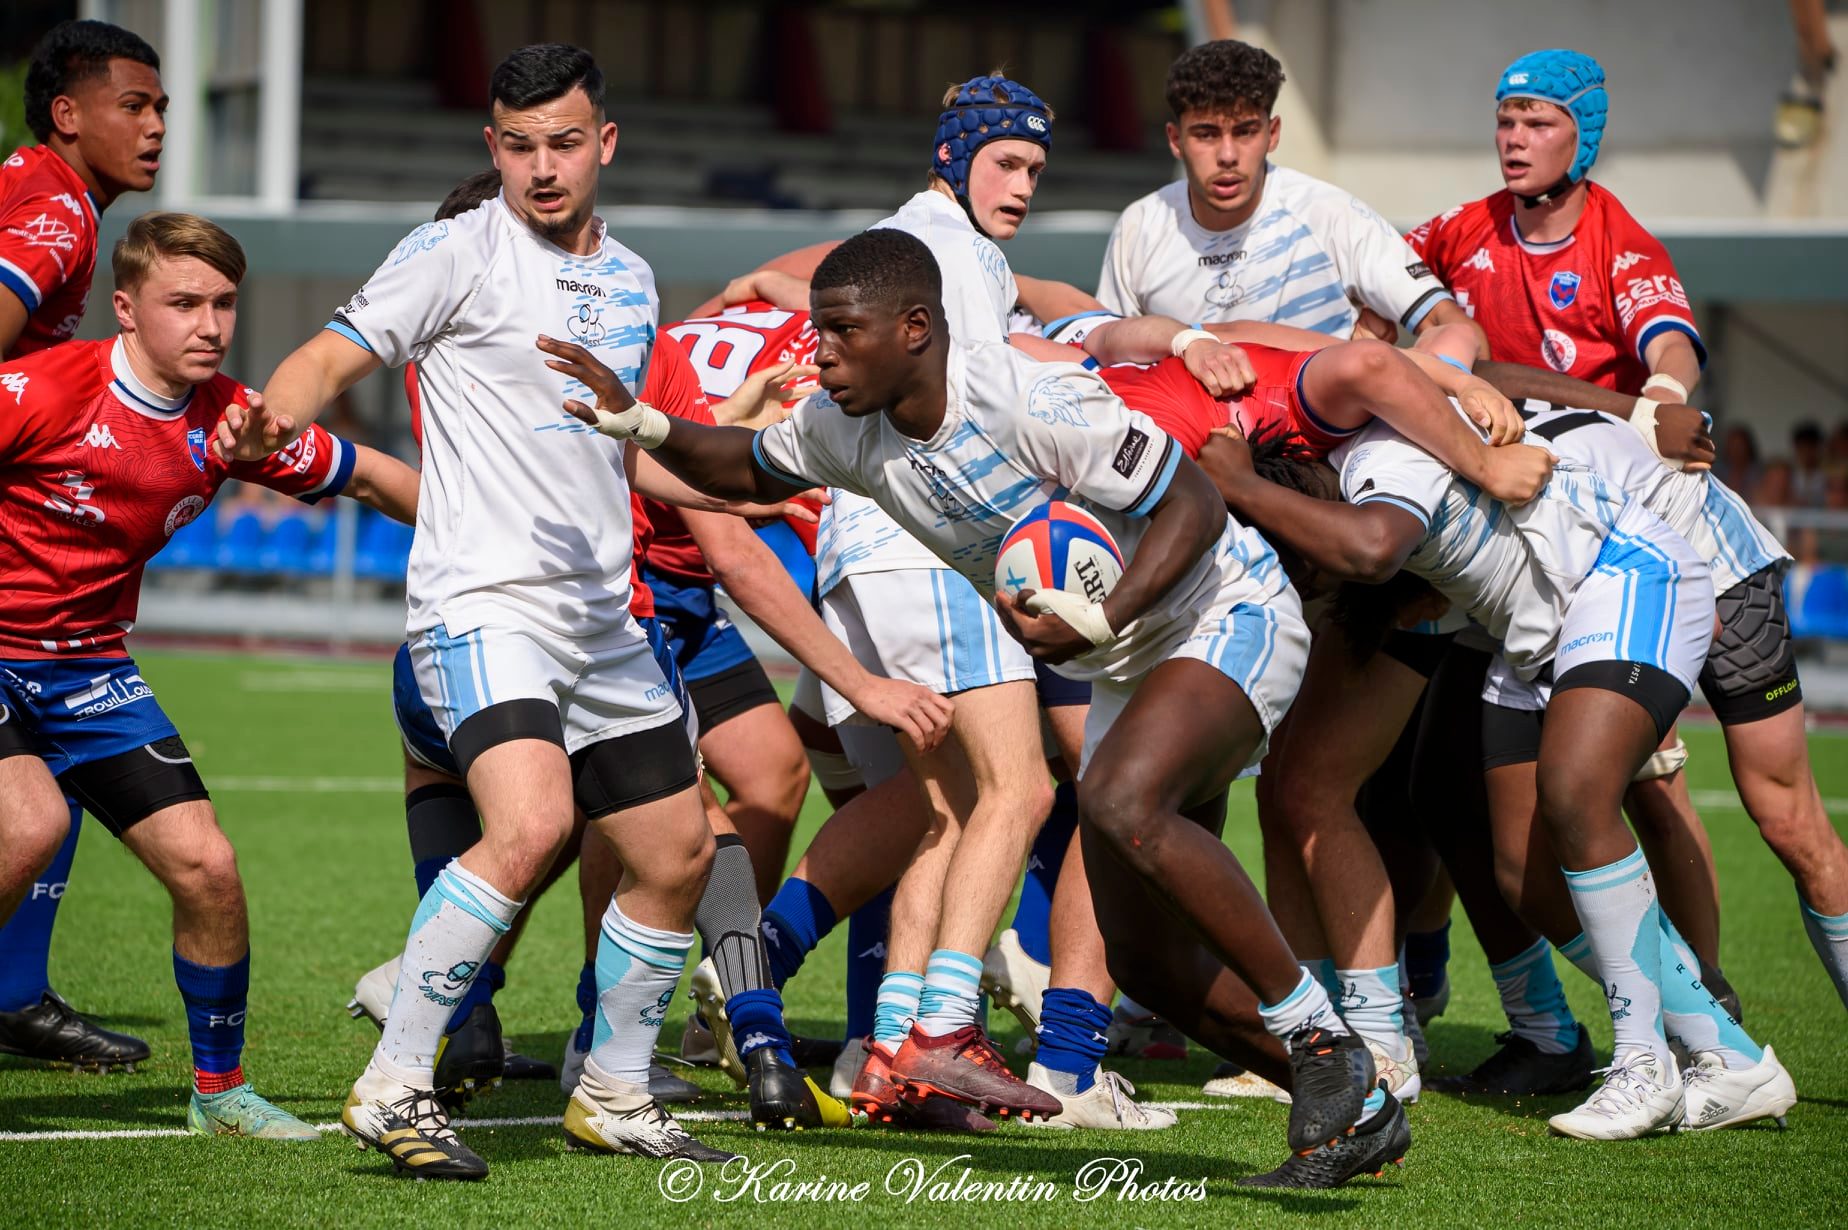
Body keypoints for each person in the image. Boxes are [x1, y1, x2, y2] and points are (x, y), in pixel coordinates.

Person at [553, 227, 1407, 1189]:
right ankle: (1359, 1110)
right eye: (818, 331)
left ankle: (1322, 1041)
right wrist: (643, 424)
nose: (818, 353)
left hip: (1222, 610)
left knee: (1117, 800)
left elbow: (1197, 508)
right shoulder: (845, 427)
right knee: (1145, 960)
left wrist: (1106, 616)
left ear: (915, 329)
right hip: (1125, 660)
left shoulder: (1029, 397)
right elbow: (745, 466)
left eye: (841, 331)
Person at [217, 44, 745, 1177]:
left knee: (678, 851)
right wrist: (271, 416)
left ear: (605, 144)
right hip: (483, 603)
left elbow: (612, 450)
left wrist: (729, 477)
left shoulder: (635, 278)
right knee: (532, 825)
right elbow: (327, 356)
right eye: (519, 145)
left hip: (602, 617)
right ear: (491, 148)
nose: (543, 168)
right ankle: (394, 1085)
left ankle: (613, 1092)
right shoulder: (455, 249)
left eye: (564, 143)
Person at [1206, 388, 1787, 1140]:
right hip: (1536, 630)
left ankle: (1643, 1064)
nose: (1311, 584)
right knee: (1522, 875)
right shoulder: (1370, 488)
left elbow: (1373, 543)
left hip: (1625, 577)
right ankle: (1732, 1055)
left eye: (1304, 569)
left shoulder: (1379, 462)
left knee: (1577, 794)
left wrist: (1240, 484)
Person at [0, 210, 417, 1138]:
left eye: (225, 304)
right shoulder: (39, 389)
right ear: (125, 308)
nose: (210, 325)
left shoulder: (234, 422)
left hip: (89, 670)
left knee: (210, 868)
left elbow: (371, 478)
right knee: (28, 825)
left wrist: (497, 532)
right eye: (183, 303)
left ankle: (220, 1094)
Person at [1408, 47, 1732, 1004]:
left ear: (1582, 136)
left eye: (1539, 121)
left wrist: (1661, 396)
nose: (1515, 138)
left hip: (1608, 548)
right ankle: (1567, 1012)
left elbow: (1668, 341)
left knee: (1648, 788)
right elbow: (1382, 277)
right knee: (1452, 790)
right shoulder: (1461, 229)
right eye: (1506, 119)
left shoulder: (1616, 240)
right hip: (1506, 540)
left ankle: (1711, 1002)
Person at [0, 17, 168, 1075]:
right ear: (67, 114)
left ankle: (15, 996)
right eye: (133, 106)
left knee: (39, 778)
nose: (155, 128)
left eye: (160, 108)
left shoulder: (34, 188)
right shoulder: (58, 216)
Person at [1096, 39, 1482, 352]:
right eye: (1207, 134)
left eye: (1245, 132)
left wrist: (1412, 370)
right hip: (1182, 422)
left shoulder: (1331, 214)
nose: (1227, 155)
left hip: (1317, 424)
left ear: (1273, 134)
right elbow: (1102, 352)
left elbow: (1452, 327)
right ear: (1175, 140)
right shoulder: (1140, 226)